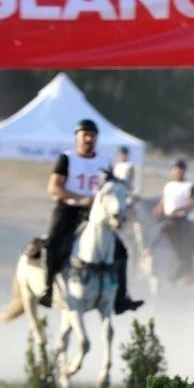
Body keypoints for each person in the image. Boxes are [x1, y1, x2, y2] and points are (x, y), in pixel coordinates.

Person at [38, 118, 143, 313]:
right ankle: (48, 288)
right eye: (84, 134)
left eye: (92, 135)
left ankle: (121, 296)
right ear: (77, 137)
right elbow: (53, 187)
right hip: (69, 210)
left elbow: (112, 187)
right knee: (54, 243)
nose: (88, 138)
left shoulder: (104, 162)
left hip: (96, 214)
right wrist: (80, 197)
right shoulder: (67, 158)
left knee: (121, 251)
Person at [152, 158, 194, 280]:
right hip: (168, 220)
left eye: (180, 169)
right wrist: (156, 212)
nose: (177, 171)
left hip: (183, 221)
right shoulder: (168, 186)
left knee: (184, 245)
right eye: (175, 169)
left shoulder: (189, 186)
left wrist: (178, 210)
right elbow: (163, 202)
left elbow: (191, 204)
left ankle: (185, 269)